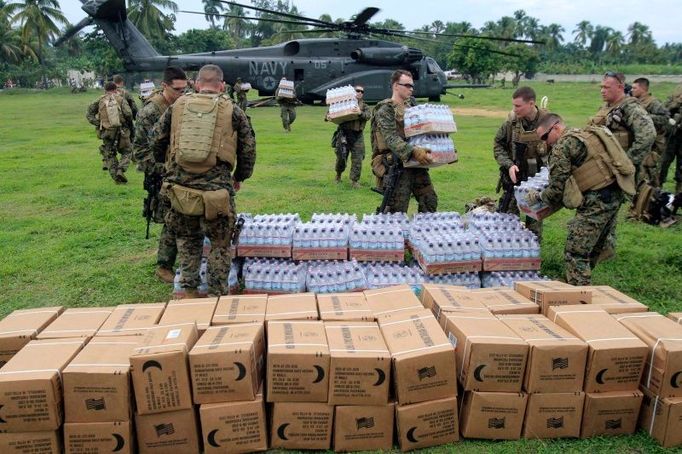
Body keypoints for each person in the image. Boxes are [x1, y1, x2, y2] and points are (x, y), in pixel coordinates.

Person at [150, 64, 256, 296]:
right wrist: (239, 177)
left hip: (180, 189)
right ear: (222, 86)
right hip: (216, 192)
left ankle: (189, 293)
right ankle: (217, 296)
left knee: (187, 241)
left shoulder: (177, 106)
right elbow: (248, 149)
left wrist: (167, 166)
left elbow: (157, 139)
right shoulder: (233, 110)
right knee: (219, 245)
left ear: (196, 84)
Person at [526, 114, 635, 285]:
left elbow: (556, 189)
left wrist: (539, 196)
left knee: (576, 250)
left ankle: (579, 292)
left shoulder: (562, 146)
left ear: (556, 127)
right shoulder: (583, 133)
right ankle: (577, 281)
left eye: (546, 137)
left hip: (596, 199)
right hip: (615, 194)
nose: (546, 142)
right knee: (593, 246)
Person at [132, 66, 188, 283]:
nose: (182, 93)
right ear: (165, 86)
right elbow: (140, 151)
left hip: (181, 170)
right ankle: (164, 265)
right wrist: (163, 169)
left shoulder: (182, 104)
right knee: (171, 219)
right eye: (177, 90)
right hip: (162, 174)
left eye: (185, 89)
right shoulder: (151, 112)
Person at [370, 69, 436, 213]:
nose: (411, 89)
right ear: (395, 86)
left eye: (412, 86)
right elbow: (390, 138)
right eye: (407, 85)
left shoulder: (412, 107)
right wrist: (413, 151)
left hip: (415, 162)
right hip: (396, 165)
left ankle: (421, 233)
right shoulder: (385, 109)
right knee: (397, 211)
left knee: (430, 201)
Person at [493, 86, 548, 239]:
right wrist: (509, 165)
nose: (514, 109)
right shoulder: (511, 122)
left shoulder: (548, 121)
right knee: (507, 223)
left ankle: (533, 255)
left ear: (531, 104)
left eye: (518, 106)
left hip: (537, 182)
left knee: (534, 224)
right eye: (513, 105)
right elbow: (498, 145)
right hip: (514, 180)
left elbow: (558, 150)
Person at [588, 72, 655, 185]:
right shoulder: (607, 106)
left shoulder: (630, 108)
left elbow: (648, 135)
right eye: (601, 87)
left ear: (620, 87)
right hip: (605, 166)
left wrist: (627, 162)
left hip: (622, 171)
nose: (602, 91)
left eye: (606, 87)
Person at [86, 81, 134, 184]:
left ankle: (116, 177)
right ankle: (121, 169)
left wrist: (99, 123)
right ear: (116, 89)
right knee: (127, 150)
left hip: (106, 131)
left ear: (105, 90)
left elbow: (89, 114)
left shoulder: (99, 100)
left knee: (109, 154)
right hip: (122, 131)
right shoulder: (121, 99)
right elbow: (129, 114)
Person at [328, 85, 370, 188]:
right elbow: (330, 113)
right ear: (353, 92)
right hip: (344, 135)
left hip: (357, 135)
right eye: (357, 90)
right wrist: (328, 116)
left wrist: (360, 113)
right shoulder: (343, 102)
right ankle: (338, 175)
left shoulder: (364, 106)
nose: (359, 93)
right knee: (341, 157)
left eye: (362, 91)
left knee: (358, 158)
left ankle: (354, 181)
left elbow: (368, 115)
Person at [631, 77, 670, 187]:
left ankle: (654, 194)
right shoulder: (635, 101)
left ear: (643, 89)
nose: (632, 90)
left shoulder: (653, 102)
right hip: (641, 141)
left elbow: (665, 118)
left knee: (649, 170)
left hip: (654, 144)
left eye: (634, 88)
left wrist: (646, 117)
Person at [660, 84, 682, 193]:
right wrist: (675, 104)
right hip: (672, 137)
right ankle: (656, 192)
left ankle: (679, 197)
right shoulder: (676, 93)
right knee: (663, 164)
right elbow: (664, 109)